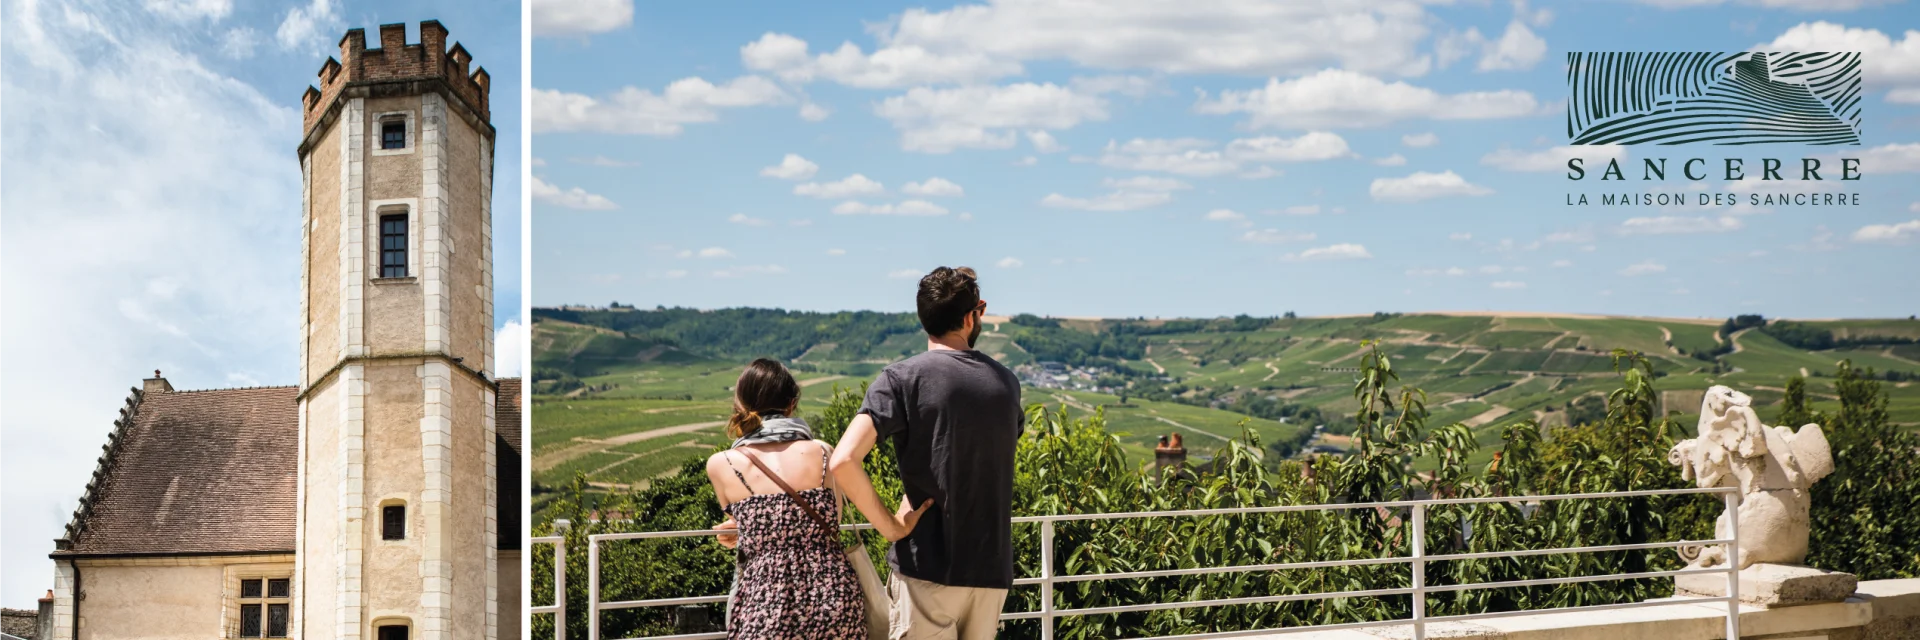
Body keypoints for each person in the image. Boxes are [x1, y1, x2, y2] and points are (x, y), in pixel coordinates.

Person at [830, 266, 1024, 640]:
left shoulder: (902, 379)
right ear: (972, 316)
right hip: (991, 570)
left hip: (926, 568)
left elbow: (842, 460)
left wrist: (891, 527)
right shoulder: (1006, 383)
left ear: (924, 319)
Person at [705, 358, 931, 639]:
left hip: (765, 604)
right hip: (833, 599)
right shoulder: (823, 452)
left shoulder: (720, 464)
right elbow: (829, 525)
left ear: (740, 406)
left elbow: (750, 526)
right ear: (792, 403)